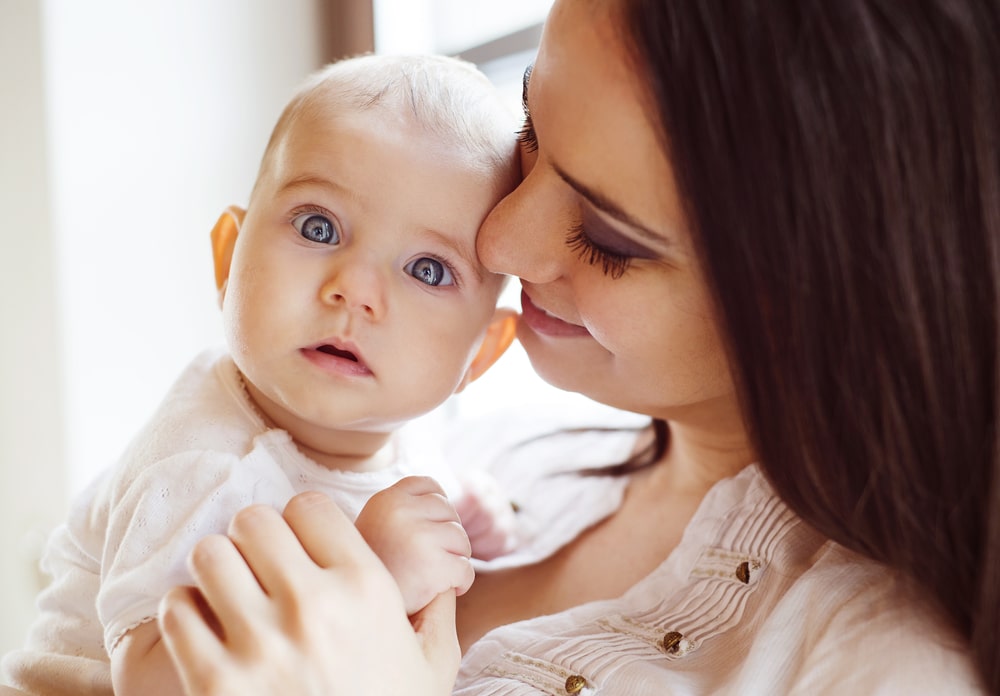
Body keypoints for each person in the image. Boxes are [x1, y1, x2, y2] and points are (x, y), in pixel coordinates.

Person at [148, 0, 1000, 693]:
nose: (500, 242)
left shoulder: (869, 664)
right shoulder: (478, 466)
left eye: (609, 237)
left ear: (831, 303)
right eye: (532, 132)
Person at [0, 53, 523, 696]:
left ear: (480, 355)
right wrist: (375, 581)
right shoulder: (202, 466)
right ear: (228, 258)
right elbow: (155, 678)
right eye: (318, 226)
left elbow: (398, 474)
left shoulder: (383, 422)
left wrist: (465, 507)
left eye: (428, 270)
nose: (355, 289)